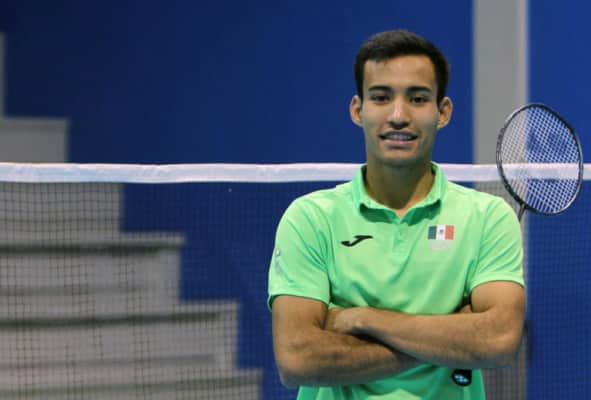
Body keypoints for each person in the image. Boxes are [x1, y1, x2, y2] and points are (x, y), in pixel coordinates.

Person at [267, 29, 525, 399]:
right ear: (358, 110)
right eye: (381, 97)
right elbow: (297, 360)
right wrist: (451, 337)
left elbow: (499, 340)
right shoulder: (310, 219)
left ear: (442, 112)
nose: (399, 115)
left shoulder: (488, 217)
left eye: (418, 98)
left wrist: (362, 319)